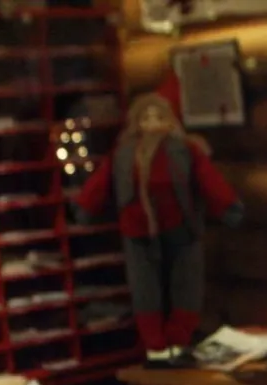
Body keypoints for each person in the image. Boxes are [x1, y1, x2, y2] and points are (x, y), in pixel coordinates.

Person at [74, 90, 244, 364]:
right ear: (136, 122)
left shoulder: (186, 150)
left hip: (182, 229)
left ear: (169, 120)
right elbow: (100, 183)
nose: (152, 123)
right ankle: (155, 345)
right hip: (137, 232)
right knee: (145, 289)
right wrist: (85, 207)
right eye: (146, 117)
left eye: (158, 117)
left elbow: (209, 181)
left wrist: (227, 207)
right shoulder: (124, 154)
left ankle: (178, 339)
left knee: (186, 285)